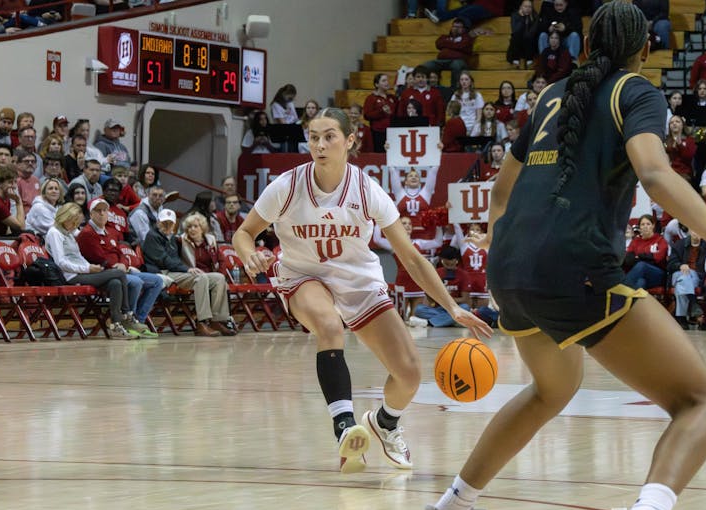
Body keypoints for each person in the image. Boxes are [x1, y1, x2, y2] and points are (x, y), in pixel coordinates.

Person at [414, 3, 706, 510]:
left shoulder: (553, 96)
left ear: (587, 43)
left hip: (509, 267)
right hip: (571, 266)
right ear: (645, 48)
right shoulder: (635, 91)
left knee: (551, 390)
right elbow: (653, 173)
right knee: (703, 401)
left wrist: (506, 246)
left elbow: (500, 190)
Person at [233, 107, 491, 474]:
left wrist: (452, 307)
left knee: (410, 373)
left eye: (329, 137)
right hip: (303, 274)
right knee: (329, 325)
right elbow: (244, 233)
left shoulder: (367, 190)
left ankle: (384, 424)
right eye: (313, 137)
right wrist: (249, 255)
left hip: (357, 279)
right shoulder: (287, 186)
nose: (319, 145)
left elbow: (412, 258)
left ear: (349, 141)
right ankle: (344, 427)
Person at [44, 202, 139, 340]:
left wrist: (91, 267)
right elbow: (61, 263)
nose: (76, 225)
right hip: (71, 276)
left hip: (83, 272)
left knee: (115, 283)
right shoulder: (54, 233)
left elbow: (78, 255)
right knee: (118, 273)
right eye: (74, 222)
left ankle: (115, 326)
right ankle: (126, 314)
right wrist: (87, 268)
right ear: (66, 218)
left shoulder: (69, 232)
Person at [76, 198, 163, 338]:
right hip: (104, 274)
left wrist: (124, 264)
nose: (102, 214)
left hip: (122, 270)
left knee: (157, 281)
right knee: (136, 282)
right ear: (90, 214)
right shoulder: (87, 233)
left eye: (105, 210)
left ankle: (138, 320)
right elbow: (98, 257)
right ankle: (127, 319)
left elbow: (120, 251)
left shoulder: (110, 232)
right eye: (98, 211)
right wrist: (117, 267)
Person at [143, 209, 235, 337]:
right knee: (200, 278)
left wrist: (185, 269)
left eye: (170, 223)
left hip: (177, 272)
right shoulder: (153, 236)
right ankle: (201, 322)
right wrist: (187, 269)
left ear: (175, 224)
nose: (167, 226)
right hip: (163, 273)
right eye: (164, 223)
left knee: (219, 278)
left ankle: (217, 320)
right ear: (158, 222)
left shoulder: (173, 239)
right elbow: (164, 260)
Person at [667, 229, 706, 330]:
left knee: (683, 282)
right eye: (694, 230)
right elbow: (670, 264)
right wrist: (680, 265)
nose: (697, 232)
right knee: (684, 277)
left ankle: (681, 317)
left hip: (696, 277)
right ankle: (693, 303)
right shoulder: (679, 244)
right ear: (690, 231)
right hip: (677, 274)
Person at [421, 17, 475, 91]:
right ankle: (428, 89)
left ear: (463, 29)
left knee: (456, 65)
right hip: (442, 61)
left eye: (459, 27)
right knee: (427, 65)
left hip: (458, 61)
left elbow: (462, 46)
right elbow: (438, 44)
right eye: (454, 26)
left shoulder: (467, 38)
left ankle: (454, 90)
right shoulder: (444, 37)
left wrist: (447, 45)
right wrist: (455, 44)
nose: (456, 29)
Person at [363, 73, 398, 153]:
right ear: (376, 84)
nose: (387, 82)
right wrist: (381, 112)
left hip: (392, 131)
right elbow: (367, 115)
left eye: (387, 80)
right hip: (378, 132)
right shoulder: (371, 98)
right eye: (383, 81)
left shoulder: (392, 98)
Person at [507, 0, 539, 68]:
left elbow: (532, 33)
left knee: (529, 37)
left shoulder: (535, 16)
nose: (527, 9)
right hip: (518, 42)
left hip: (530, 43)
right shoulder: (515, 15)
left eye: (530, 7)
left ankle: (529, 61)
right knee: (516, 36)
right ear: (521, 7)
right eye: (525, 6)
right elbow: (515, 31)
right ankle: (516, 61)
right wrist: (521, 17)